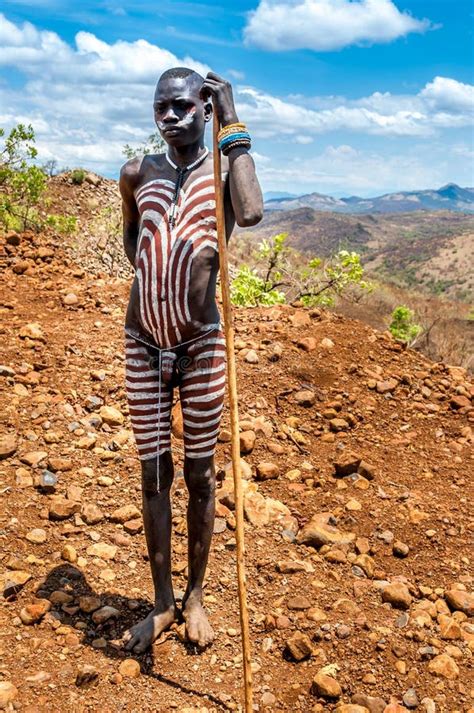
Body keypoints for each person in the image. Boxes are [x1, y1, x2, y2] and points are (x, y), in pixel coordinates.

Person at [119, 67, 263, 652]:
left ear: (202, 108)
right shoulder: (137, 172)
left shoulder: (223, 172)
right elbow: (132, 238)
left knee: (201, 473)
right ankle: (160, 603)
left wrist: (232, 117)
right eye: (161, 108)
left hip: (202, 345)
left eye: (182, 107)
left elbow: (250, 212)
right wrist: (158, 279)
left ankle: (196, 597)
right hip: (142, 341)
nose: (170, 117)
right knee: (154, 473)